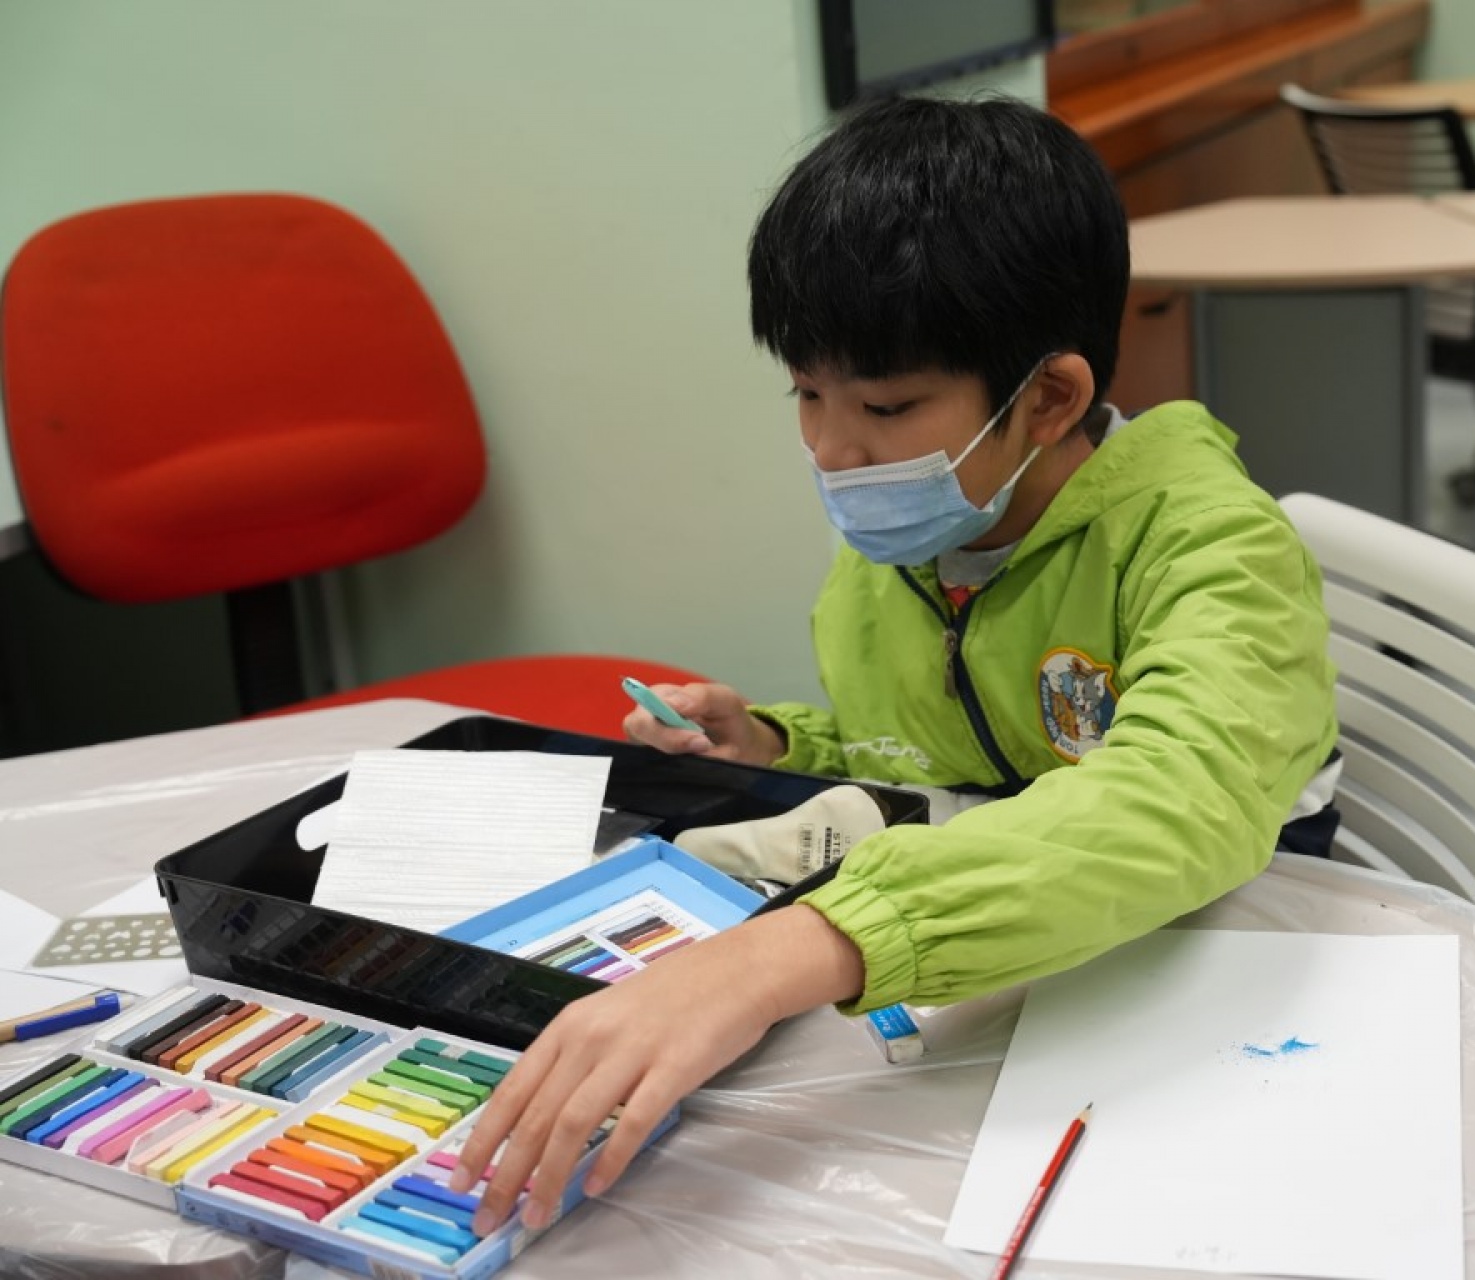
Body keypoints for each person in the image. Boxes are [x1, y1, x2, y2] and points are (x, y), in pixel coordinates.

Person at [452, 94, 1341, 1235]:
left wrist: (791, 952)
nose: (831, 448)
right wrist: (777, 743)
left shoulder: (1214, 542)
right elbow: (934, 745)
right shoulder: (923, 530)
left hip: (1219, 942)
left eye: (883, 403)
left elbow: (1175, 798)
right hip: (1002, 926)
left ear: (1050, 397)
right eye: (806, 393)